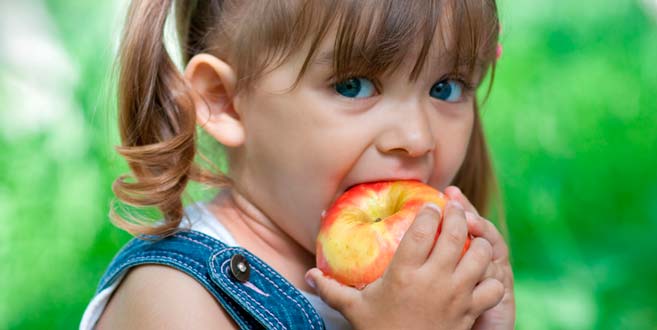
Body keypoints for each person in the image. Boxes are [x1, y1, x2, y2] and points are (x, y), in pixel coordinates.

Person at [80, 0, 515, 328]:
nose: (417, 139)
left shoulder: (422, 285)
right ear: (225, 101)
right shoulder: (174, 297)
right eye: (353, 86)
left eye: (446, 88)